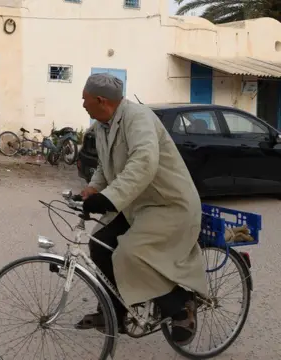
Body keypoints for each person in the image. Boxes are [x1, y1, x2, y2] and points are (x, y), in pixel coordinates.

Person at [75, 73, 209, 346]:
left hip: (169, 205)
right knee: (100, 243)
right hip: (138, 205)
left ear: (102, 100)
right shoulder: (103, 125)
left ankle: (181, 305)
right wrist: (93, 188)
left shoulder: (139, 118)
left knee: (131, 253)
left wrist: (109, 198)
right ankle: (115, 308)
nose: (83, 105)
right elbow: (105, 165)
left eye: (85, 100)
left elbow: (143, 162)